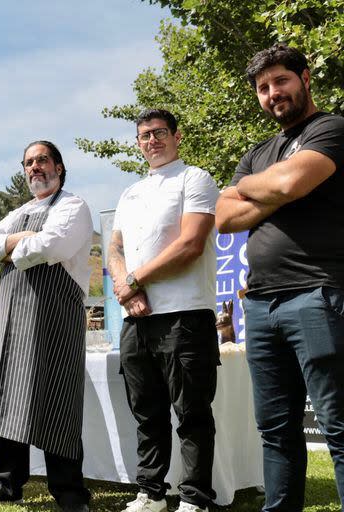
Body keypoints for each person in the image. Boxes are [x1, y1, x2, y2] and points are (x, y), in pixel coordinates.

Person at [215, 44, 344, 511]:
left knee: (339, 426)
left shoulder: (331, 128)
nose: (273, 93)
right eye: (263, 87)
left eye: (281, 81)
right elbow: (225, 217)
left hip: (318, 293)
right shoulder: (258, 153)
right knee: (275, 431)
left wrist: (261, 187)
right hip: (261, 306)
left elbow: (290, 183)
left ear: (305, 78)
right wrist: (278, 182)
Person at [0, 141, 93, 512]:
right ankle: (6, 483)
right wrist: (15, 240)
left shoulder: (73, 206)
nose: (35, 167)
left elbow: (51, 247)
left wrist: (6, 248)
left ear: (59, 166)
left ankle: (69, 492)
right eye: (28, 163)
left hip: (54, 316)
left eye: (42, 160)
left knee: (57, 397)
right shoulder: (18, 212)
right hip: (10, 316)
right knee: (9, 395)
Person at [109, 109, 220, 512]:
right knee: (147, 414)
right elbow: (115, 248)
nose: (151, 141)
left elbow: (191, 244)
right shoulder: (130, 192)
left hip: (184, 316)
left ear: (176, 136)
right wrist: (126, 288)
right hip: (136, 319)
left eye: (159, 133)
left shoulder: (196, 179)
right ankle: (151, 494)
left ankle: (195, 499)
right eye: (144, 136)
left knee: (191, 414)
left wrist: (135, 280)